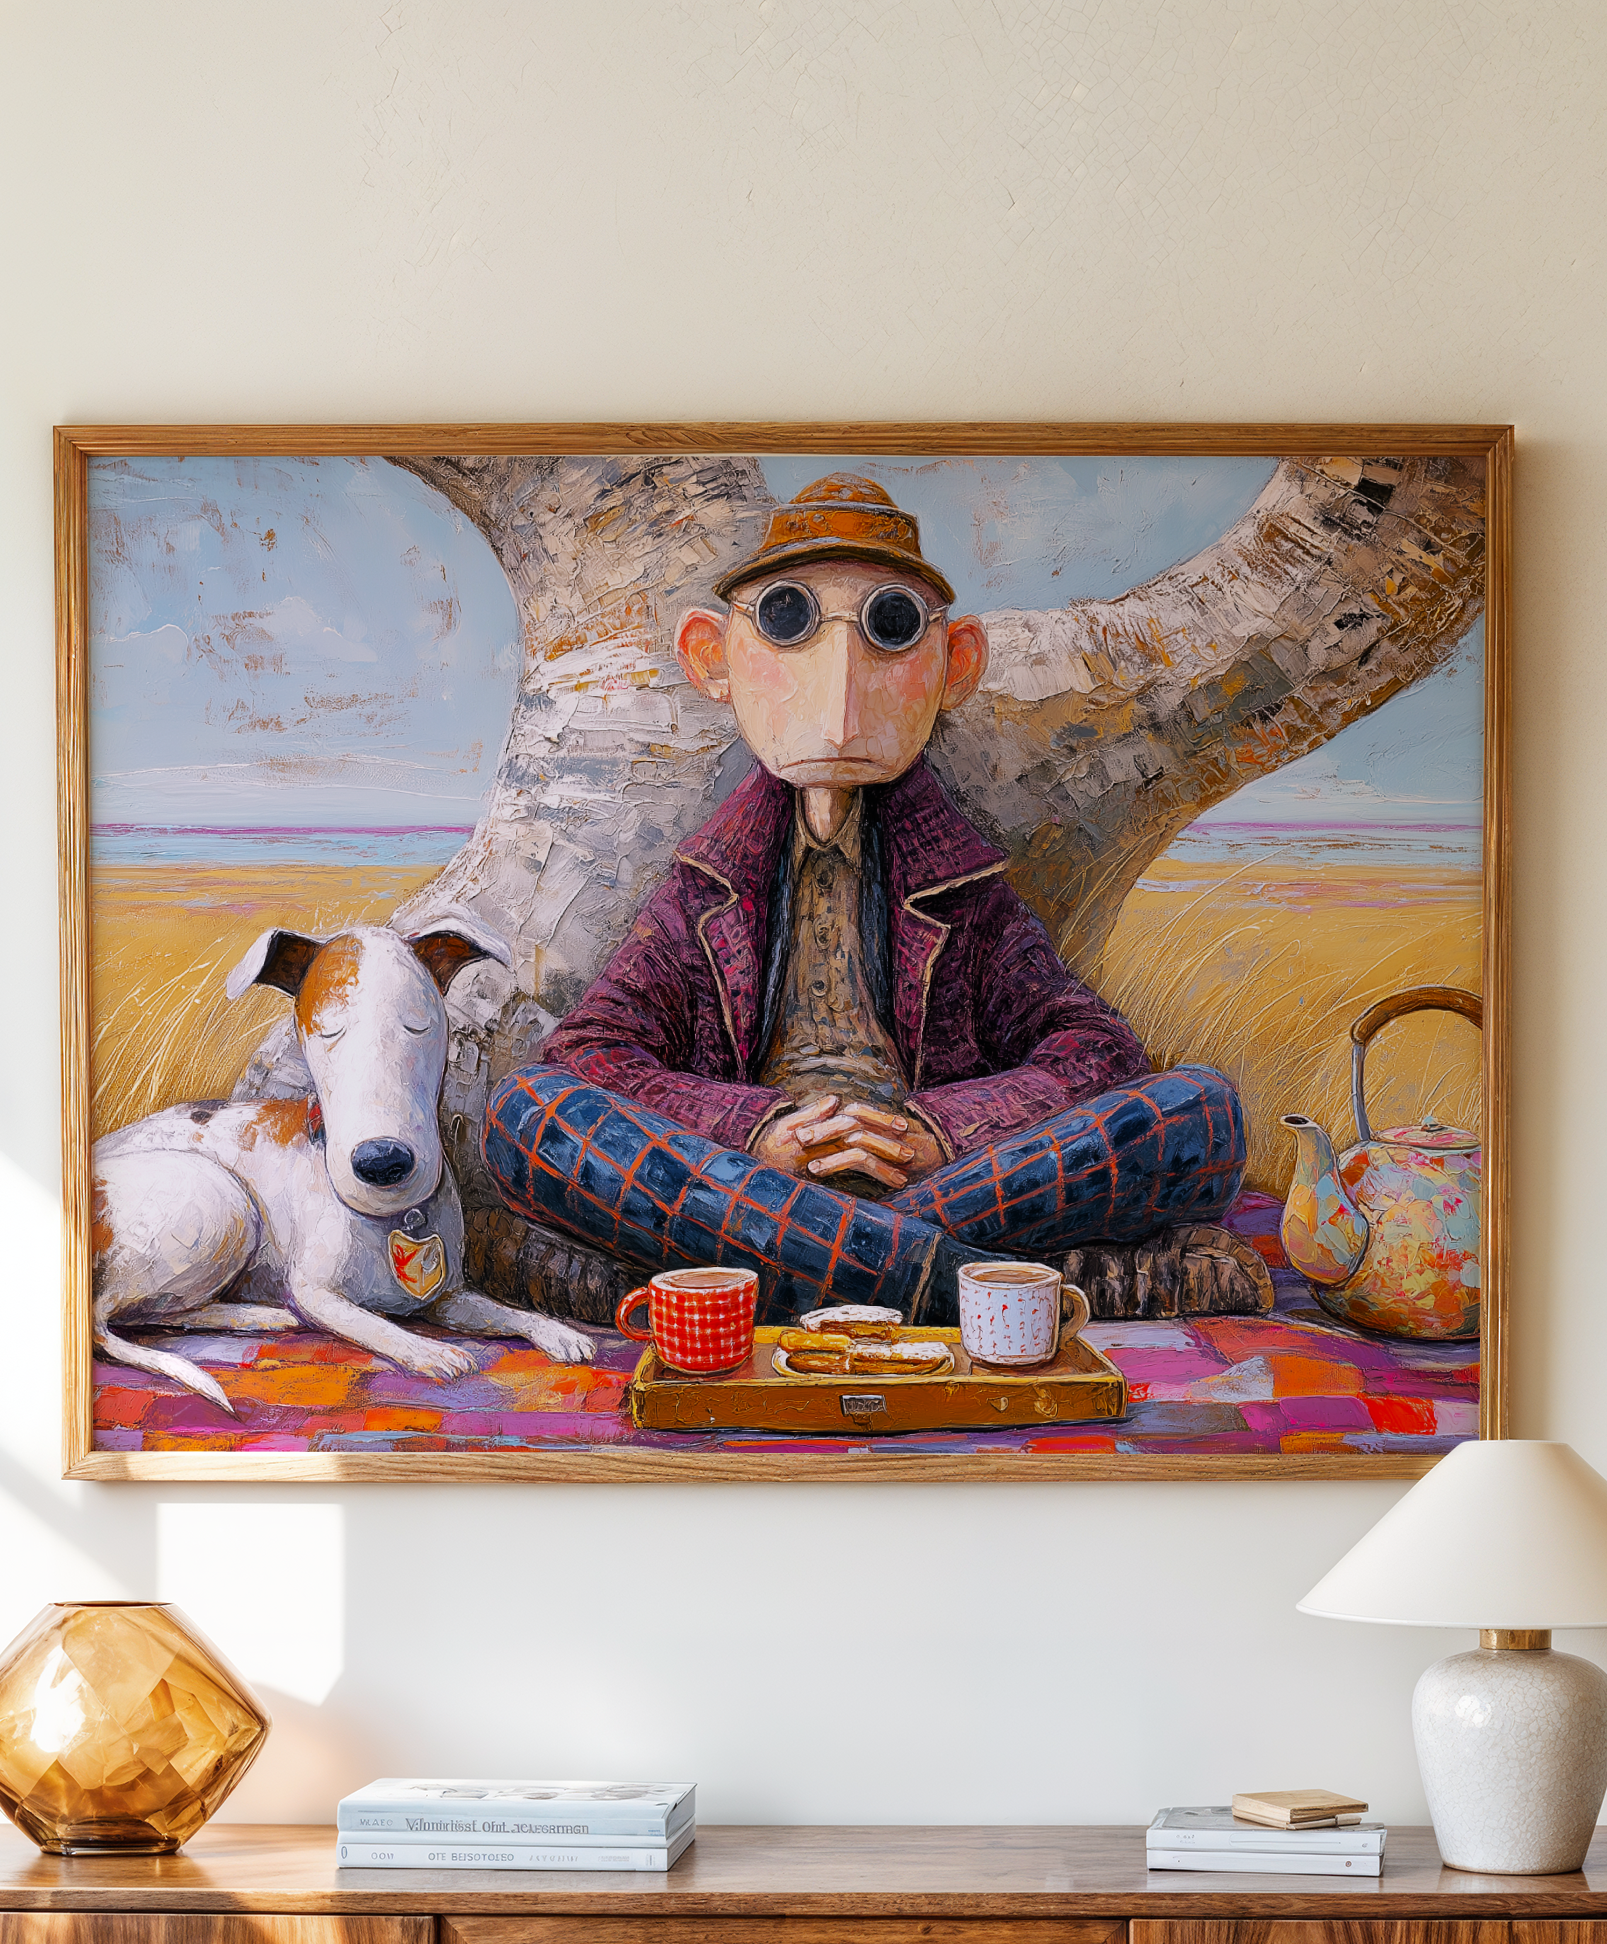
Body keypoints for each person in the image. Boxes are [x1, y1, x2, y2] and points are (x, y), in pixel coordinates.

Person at [483, 475, 1246, 1324]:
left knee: (1197, 1111)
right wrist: (755, 1132)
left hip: (901, 1186)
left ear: (954, 664)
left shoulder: (960, 884)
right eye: (788, 620)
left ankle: (803, 1268)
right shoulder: (707, 884)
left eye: (890, 626)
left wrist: (940, 1132)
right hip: (753, 1179)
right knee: (528, 1113)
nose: (840, 686)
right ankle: (959, 1281)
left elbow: (1096, 1050)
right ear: (712, 657)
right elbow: (591, 1054)